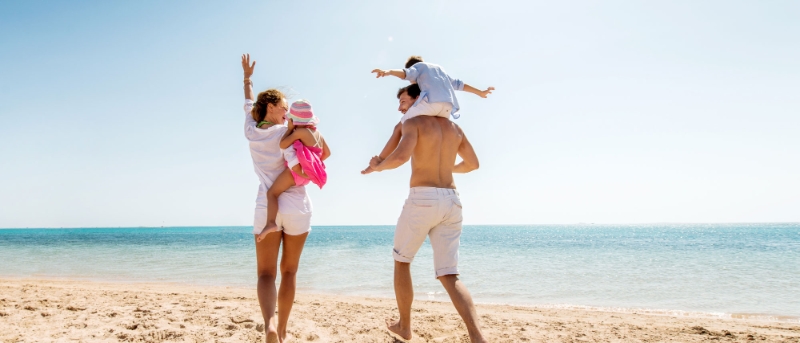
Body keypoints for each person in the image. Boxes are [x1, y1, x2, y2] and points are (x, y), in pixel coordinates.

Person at [362, 83, 488, 343]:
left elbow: (400, 158)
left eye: (404, 101)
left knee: (402, 260)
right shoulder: (454, 128)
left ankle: (405, 326)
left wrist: (378, 167)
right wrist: (444, 166)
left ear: (420, 99)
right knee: (449, 274)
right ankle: (478, 337)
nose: (400, 107)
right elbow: (473, 164)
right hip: (452, 200)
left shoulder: (414, 123)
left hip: (423, 199)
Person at [241, 53, 313, 343]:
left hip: (266, 206)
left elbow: (248, 103)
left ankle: (270, 325)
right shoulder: (290, 132)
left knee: (265, 275)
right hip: (296, 205)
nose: (287, 113)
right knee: (290, 272)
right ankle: (282, 331)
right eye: (283, 108)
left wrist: (247, 78)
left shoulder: (250, 129)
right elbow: (317, 153)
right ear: (270, 107)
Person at [258, 99, 329, 241]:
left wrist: (290, 130)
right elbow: (326, 153)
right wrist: (311, 164)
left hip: (296, 172)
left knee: (272, 193)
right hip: (306, 175)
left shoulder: (300, 132)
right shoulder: (318, 134)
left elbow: (283, 145)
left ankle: (270, 223)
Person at [371, 55, 494, 123]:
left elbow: (405, 73)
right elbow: (459, 84)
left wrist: (388, 72)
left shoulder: (418, 67)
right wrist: (480, 92)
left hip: (432, 103)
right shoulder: (439, 70)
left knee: (403, 123)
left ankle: (384, 158)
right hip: (448, 108)